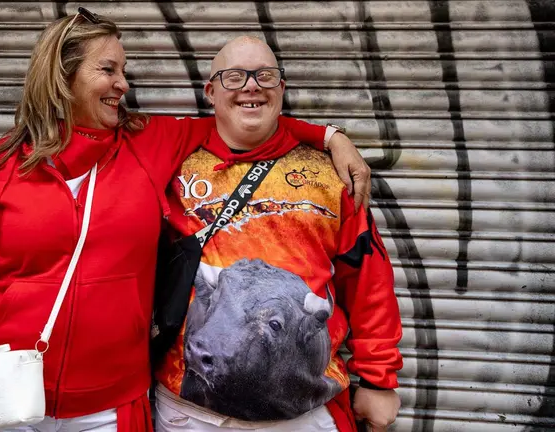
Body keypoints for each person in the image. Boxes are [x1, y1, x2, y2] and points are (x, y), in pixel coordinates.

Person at [0, 9, 372, 432]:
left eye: (123, 71)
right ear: (63, 76)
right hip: (4, 394)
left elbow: (244, 118)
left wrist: (332, 137)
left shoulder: (149, 143)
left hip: (107, 406)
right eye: (108, 70)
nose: (123, 84)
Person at [153, 36, 403, 432]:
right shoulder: (169, 161)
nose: (251, 86)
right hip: (187, 409)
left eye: (265, 76)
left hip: (299, 415)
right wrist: (326, 132)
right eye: (234, 77)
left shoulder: (330, 176)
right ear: (210, 92)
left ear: (281, 89)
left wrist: (379, 377)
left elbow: (369, 280)